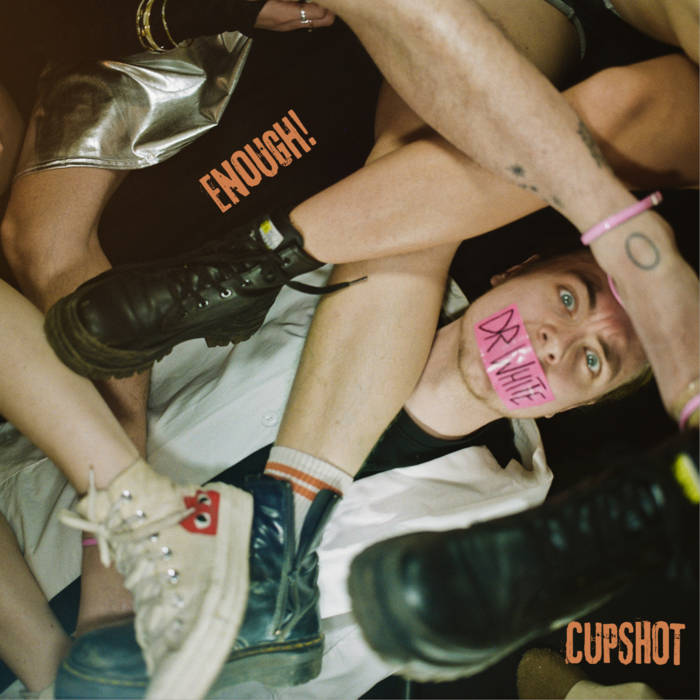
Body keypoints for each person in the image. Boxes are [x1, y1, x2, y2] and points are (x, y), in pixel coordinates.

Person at [1, 246, 648, 698]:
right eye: (568, 297)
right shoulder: (364, 273)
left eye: (594, 360)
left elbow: (292, 686)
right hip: (27, 517)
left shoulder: (490, 555)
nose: (556, 342)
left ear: (573, 407)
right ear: (517, 268)